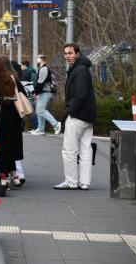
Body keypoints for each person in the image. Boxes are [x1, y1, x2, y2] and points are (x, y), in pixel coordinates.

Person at [54, 43, 97, 191]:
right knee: (85, 149)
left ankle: (71, 181)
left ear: (77, 54)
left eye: (70, 53)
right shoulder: (82, 69)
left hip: (77, 115)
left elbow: (80, 94)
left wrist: (67, 113)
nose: (67, 56)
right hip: (88, 115)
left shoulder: (79, 70)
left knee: (69, 149)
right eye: (65, 53)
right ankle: (84, 182)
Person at [0, 57, 26, 196]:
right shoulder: (12, 79)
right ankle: (13, 176)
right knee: (10, 147)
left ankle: (3, 177)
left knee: (0, 150)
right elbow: (23, 95)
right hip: (14, 120)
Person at [31, 54, 61, 135]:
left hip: (45, 92)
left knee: (40, 110)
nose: (36, 61)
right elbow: (40, 83)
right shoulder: (43, 69)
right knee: (39, 110)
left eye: (37, 59)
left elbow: (40, 82)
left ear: (40, 60)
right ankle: (41, 129)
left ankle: (56, 124)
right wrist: (37, 92)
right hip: (43, 92)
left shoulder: (44, 69)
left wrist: (35, 92)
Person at [21, 60, 39, 131]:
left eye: (21, 65)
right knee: (29, 111)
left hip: (30, 94)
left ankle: (37, 127)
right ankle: (36, 127)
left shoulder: (31, 72)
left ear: (25, 66)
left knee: (32, 111)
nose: (21, 67)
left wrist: (34, 92)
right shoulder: (27, 72)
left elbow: (34, 83)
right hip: (29, 94)